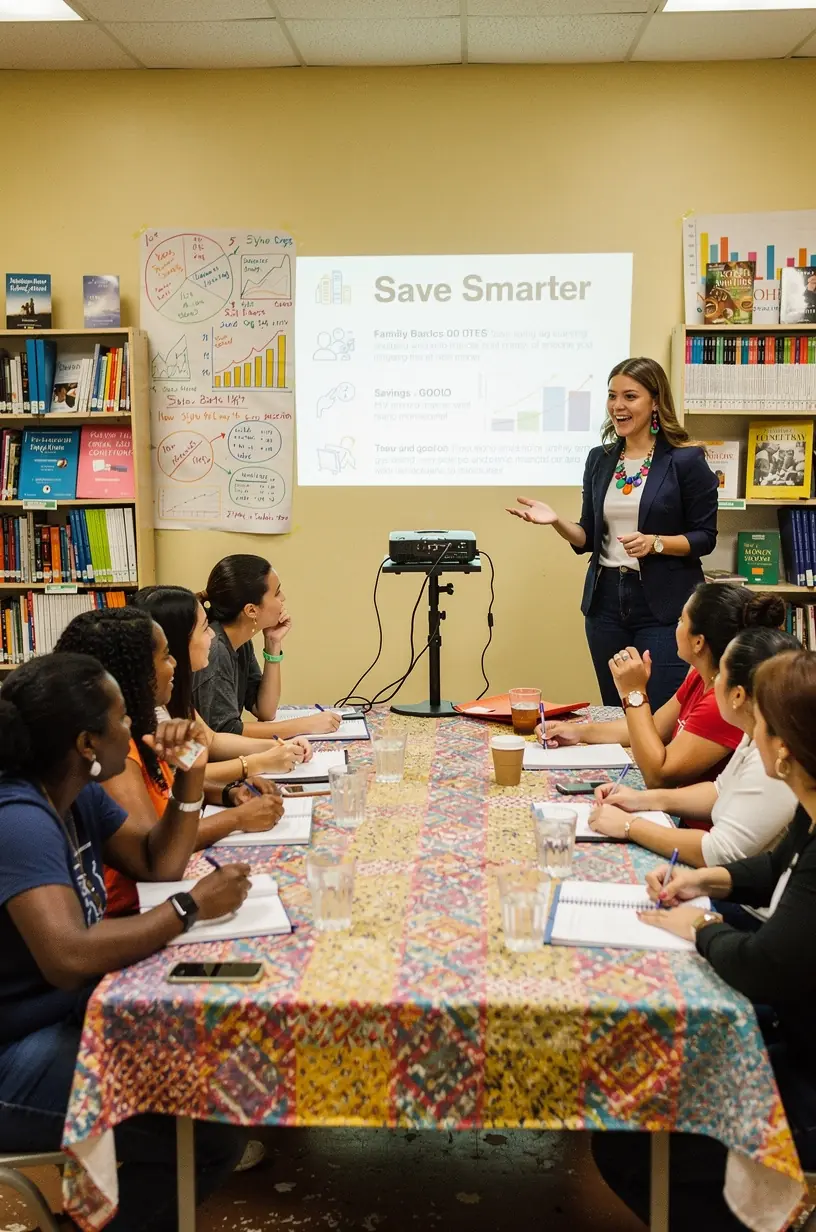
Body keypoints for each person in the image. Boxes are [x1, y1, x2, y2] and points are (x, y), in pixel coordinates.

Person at [0, 653, 249, 1230]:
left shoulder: (74, 793)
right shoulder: (19, 819)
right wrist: (189, 907)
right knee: (206, 1128)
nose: (133, 726)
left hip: (64, 1019)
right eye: (120, 718)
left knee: (211, 1089)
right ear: (87, 743)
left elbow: (158, 863)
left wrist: (190, 774)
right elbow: (68, 957)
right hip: (14, 1053)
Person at [592, 647, 816, 1230]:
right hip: (794, 1026)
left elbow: (764, 963)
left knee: (628, 1139)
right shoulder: (810, 806)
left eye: (759, 727)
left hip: (805, 1067)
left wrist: (700, 926)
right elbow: (771, 868)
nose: (748, 740)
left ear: (783, 749)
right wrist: (704, 881)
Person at [507, 357, 718, 709]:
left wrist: (656, 543)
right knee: (615, 709)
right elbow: (587, 537)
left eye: (630, 396)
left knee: (657, 712)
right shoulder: (600, 459)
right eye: (612, 396)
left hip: (663, 606)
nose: (618, 406)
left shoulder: (685, 460)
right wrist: (556, 521)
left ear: (655, 402)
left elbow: (705, 537)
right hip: (605, 602)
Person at [54, 608, 284, 917]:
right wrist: (238, 818)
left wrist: (228, 792)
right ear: (136, 672)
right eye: (165, 657)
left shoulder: (141, 727)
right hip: (134, 908)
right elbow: (158, 855)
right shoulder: (116, 754)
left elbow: (167, 786)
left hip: (156, 897)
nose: (174, 663)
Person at [587, 625, 799, 865]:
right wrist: (642, 799)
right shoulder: (758, 733)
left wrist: (629, 826)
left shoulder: (775, 759)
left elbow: (718, 852)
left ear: (738, 696)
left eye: (720, 675)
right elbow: (719, 791)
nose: (712, 683)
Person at [540, 585, 780, 790]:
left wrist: (633, 693)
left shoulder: (722, 701)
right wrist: (579, 732)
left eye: (681, 620)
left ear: (698, 642)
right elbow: (653, 728)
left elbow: (657, 775)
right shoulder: (700, 676)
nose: (676, 626)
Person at [131, 584, 313, 786]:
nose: (211, 635)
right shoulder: (150, 710)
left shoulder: (170, 690)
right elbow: (180, 777)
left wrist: (277, 746)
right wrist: (259, 762)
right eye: (204, 628)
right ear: (177, 642)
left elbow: (212, 740)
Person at [192, 554, 343, 739]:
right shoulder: (214, 650)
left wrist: (273, 643)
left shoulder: (240, 642)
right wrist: (305, 725)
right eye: (277, 593)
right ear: (251, 610)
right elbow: (225, 731)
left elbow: (264, 710)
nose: (283, 598)